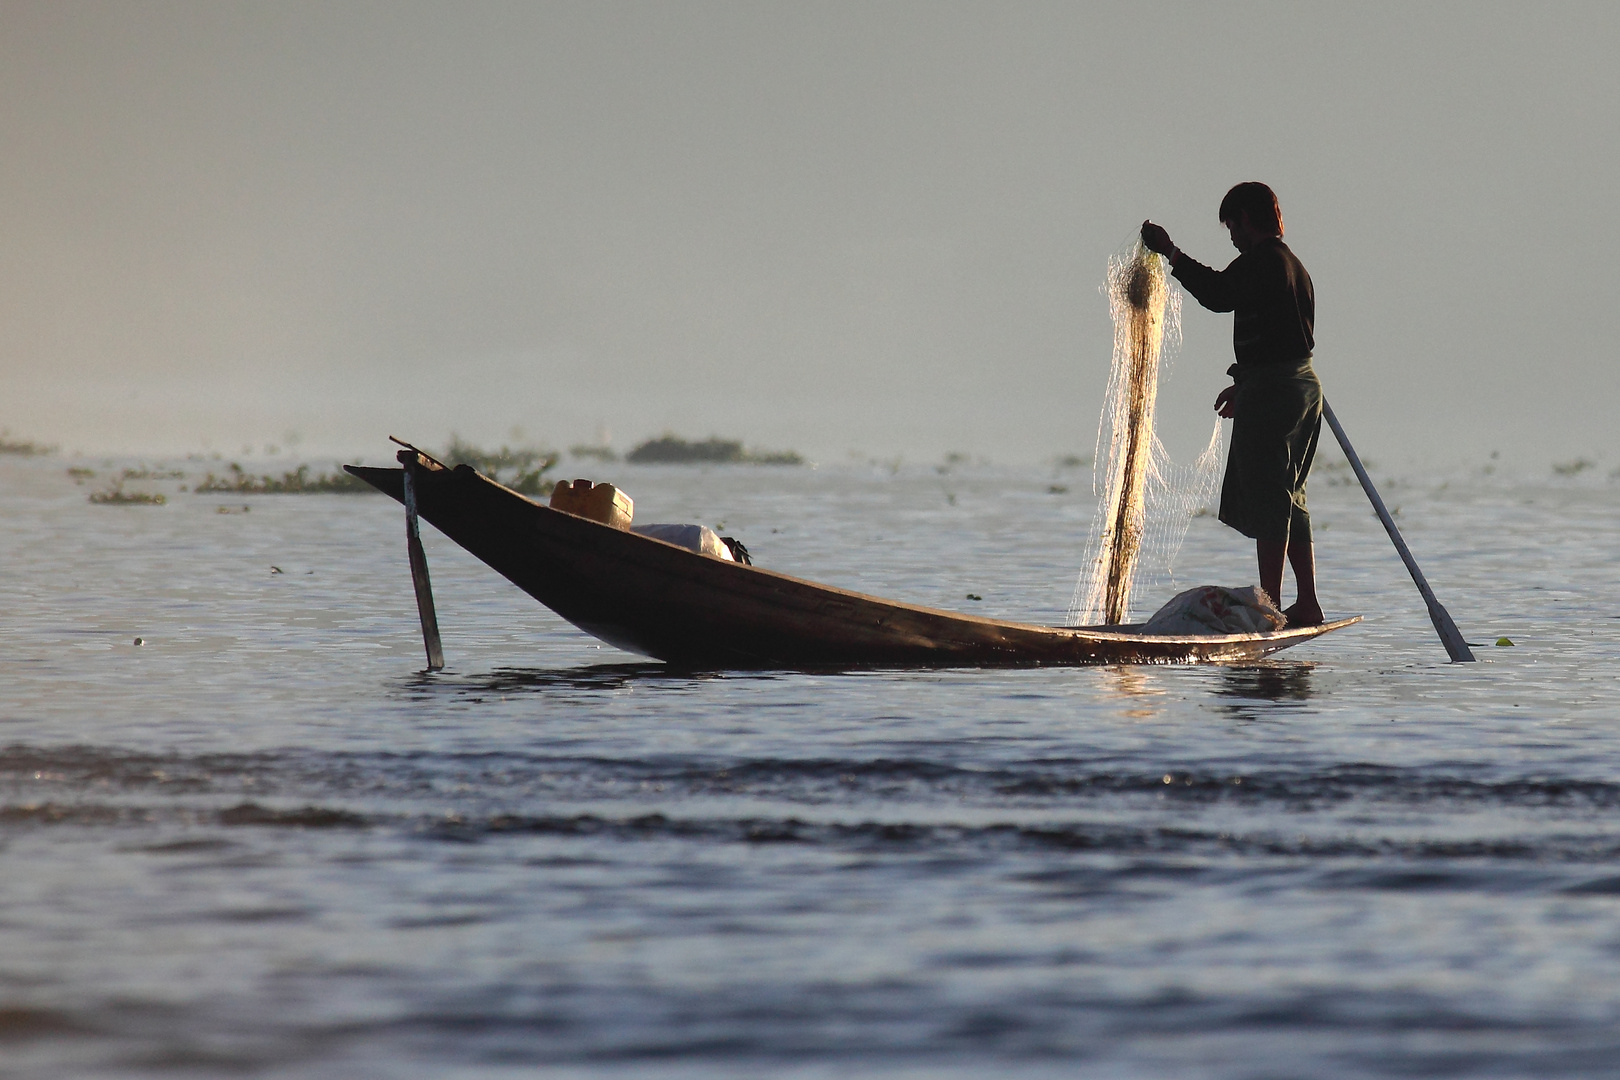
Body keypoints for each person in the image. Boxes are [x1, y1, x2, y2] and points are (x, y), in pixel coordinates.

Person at [1140, 182, 1323, 626]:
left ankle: (1272, 605)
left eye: (1232, 227)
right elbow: (1279, 334)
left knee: (1270, 497)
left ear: (1246, 219)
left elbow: (1219, 295)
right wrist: (1244, 382)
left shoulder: (1264, 262)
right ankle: (1307, 602)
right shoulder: (1292, 265)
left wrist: (1171, 253)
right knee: (1290, 495)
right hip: (1301, 387)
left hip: (1278, 391)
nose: (1232, 238)